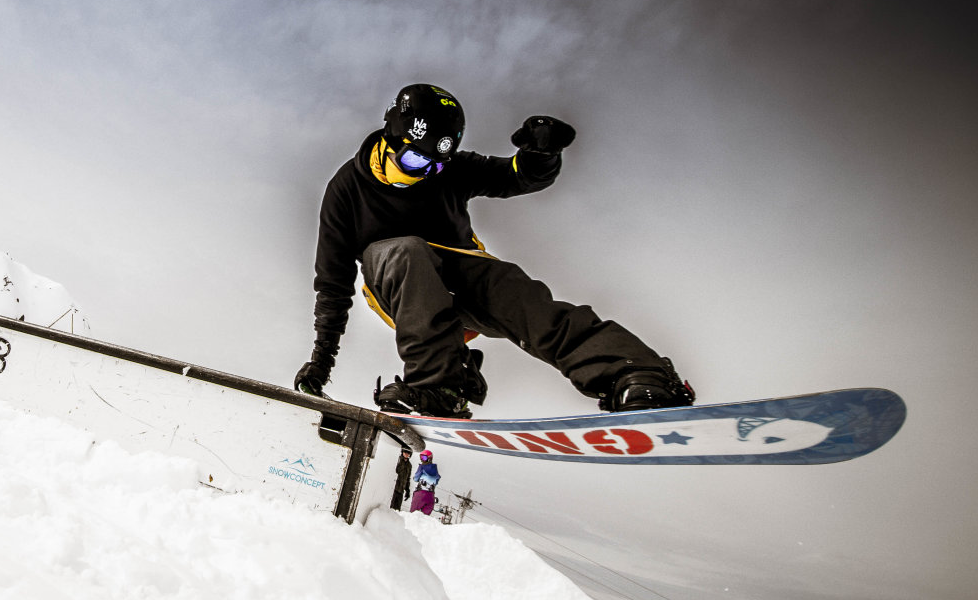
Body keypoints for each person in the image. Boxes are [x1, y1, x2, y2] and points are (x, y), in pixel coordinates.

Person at [294, 83, 693, 419]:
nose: (425, 173)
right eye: (415, 159)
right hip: (398, 288)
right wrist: (321, 361)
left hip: (458, 275)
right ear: (390, 138)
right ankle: (437, 386)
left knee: (512, 288)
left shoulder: (451, 170)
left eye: (435, 165)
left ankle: (634, 372)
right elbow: (333, 284)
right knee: (405, 251)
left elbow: (514, 176)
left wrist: (540, 155)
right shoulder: (345, 191)